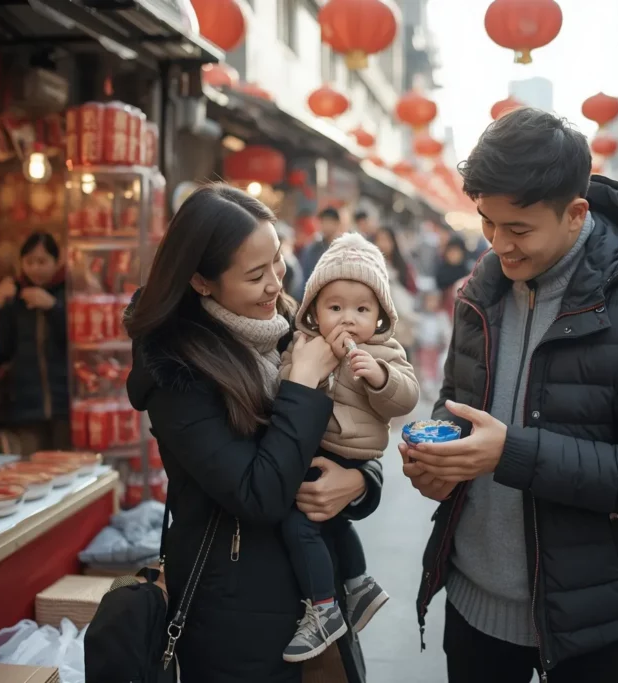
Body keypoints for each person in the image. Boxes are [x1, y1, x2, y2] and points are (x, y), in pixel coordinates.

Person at [401, 108, 618, 683]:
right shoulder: (481, 290)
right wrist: (440, 459)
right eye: (487, 223)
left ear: (575, 214)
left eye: (518, 230)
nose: (499, 245)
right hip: (473, 600)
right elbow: (456, 402)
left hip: (588, 615)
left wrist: (509, 453)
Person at [124, 184, 383, 683]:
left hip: (317, 595)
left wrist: (361, 481)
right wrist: (302, 385)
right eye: (255, 274)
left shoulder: (289, 326)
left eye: (277, 261)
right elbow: (258, 493)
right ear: (201, 281)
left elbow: (354, 422)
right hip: (233, 612)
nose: (275, 283)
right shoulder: (176, 372)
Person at [278, 232, 419, 662]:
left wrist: (379, 377)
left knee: (300, 524)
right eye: (335, 307)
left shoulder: (384, 351)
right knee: (333, 523)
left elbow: (407, 398)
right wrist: (310, 369)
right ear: (313, 310)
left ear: (380, 316)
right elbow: (283, 388)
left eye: (362, 309)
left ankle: (323, 608)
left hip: (351, 451)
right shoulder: (304, 346)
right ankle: (358, 584)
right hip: (316, 445)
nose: (348, 319)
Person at [0, 232, 70, 455]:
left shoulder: (69, 291)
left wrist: (53, 307)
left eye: (42, 261)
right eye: (29, 262)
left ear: (56, 262)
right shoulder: (14, 295)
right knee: (30, 464)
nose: (36, 268)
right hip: (25, 405)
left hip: (64, 402)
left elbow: (74, 342)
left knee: (65, 463)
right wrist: (1, 307)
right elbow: (2, 351)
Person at [372, 226, 419, 359]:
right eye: (379, 239)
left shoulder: (403, 266)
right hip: (378, 322)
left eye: (386, 240)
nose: (382, 244)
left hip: (400, 322)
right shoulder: (371, 265)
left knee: (402, 358)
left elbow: (413, 290)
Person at [413, 290, 451, 397]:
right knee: (424, 368)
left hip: (436, 348)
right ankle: (426, 387)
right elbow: (416, 332)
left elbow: (447, 332)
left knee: (436, 368)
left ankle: (434, 388)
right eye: (429, 301)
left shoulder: (441, 317)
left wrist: (443, 342)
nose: (432, 304)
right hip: (423, 348)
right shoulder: (420, 317)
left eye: (435, 301)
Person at [301, 207, 346, 280]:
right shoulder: (314, 248)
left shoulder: (344, 246)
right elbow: (307, 273)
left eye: (329, 222)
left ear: (337, 223)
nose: (325, 226)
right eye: (323, 222)